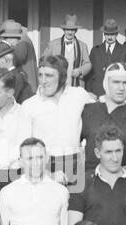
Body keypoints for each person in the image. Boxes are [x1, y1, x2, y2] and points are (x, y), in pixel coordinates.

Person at [0, 137, 69, 225]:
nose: (36, 163)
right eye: (30, 158)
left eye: (40, 157)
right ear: (20, 161)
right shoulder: (7, 192)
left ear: (47, 158)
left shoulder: (61, 191)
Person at [21, 55, 94, 184]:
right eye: (40, 75)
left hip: (75, 164)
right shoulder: (29, 105)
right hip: (44, 166)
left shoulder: (79, 95)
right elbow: (24, 148)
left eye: (49, 75)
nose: (43, 81)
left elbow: (99, 104)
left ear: (62, 77)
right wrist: (46, 174)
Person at [80, 63, 126, 176]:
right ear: (106, 83)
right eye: (116, 82)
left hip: (124, 180)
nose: (121, 88)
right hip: (91, 181)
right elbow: (73, 143)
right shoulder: (88, 111)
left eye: (125, 83)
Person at [86, 19, 126, 97]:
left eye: (112, 34)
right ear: (104, 34)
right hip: (97, 93)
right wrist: (89, 91)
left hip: (117, 93)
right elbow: (89, 73)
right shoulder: (95, 50)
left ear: (117, 34)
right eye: (107, 34)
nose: (110, 37)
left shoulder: (125, 50)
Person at [43, 14, 90, 89]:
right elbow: (43, 61)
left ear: (76, 31)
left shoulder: (82, 46)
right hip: (57, 85)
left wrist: (80, 71)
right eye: (68, 29)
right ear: (64, 30)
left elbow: (88, 64)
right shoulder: (53, 44)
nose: (70, 32)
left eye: (73, 30)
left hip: (75, 85)